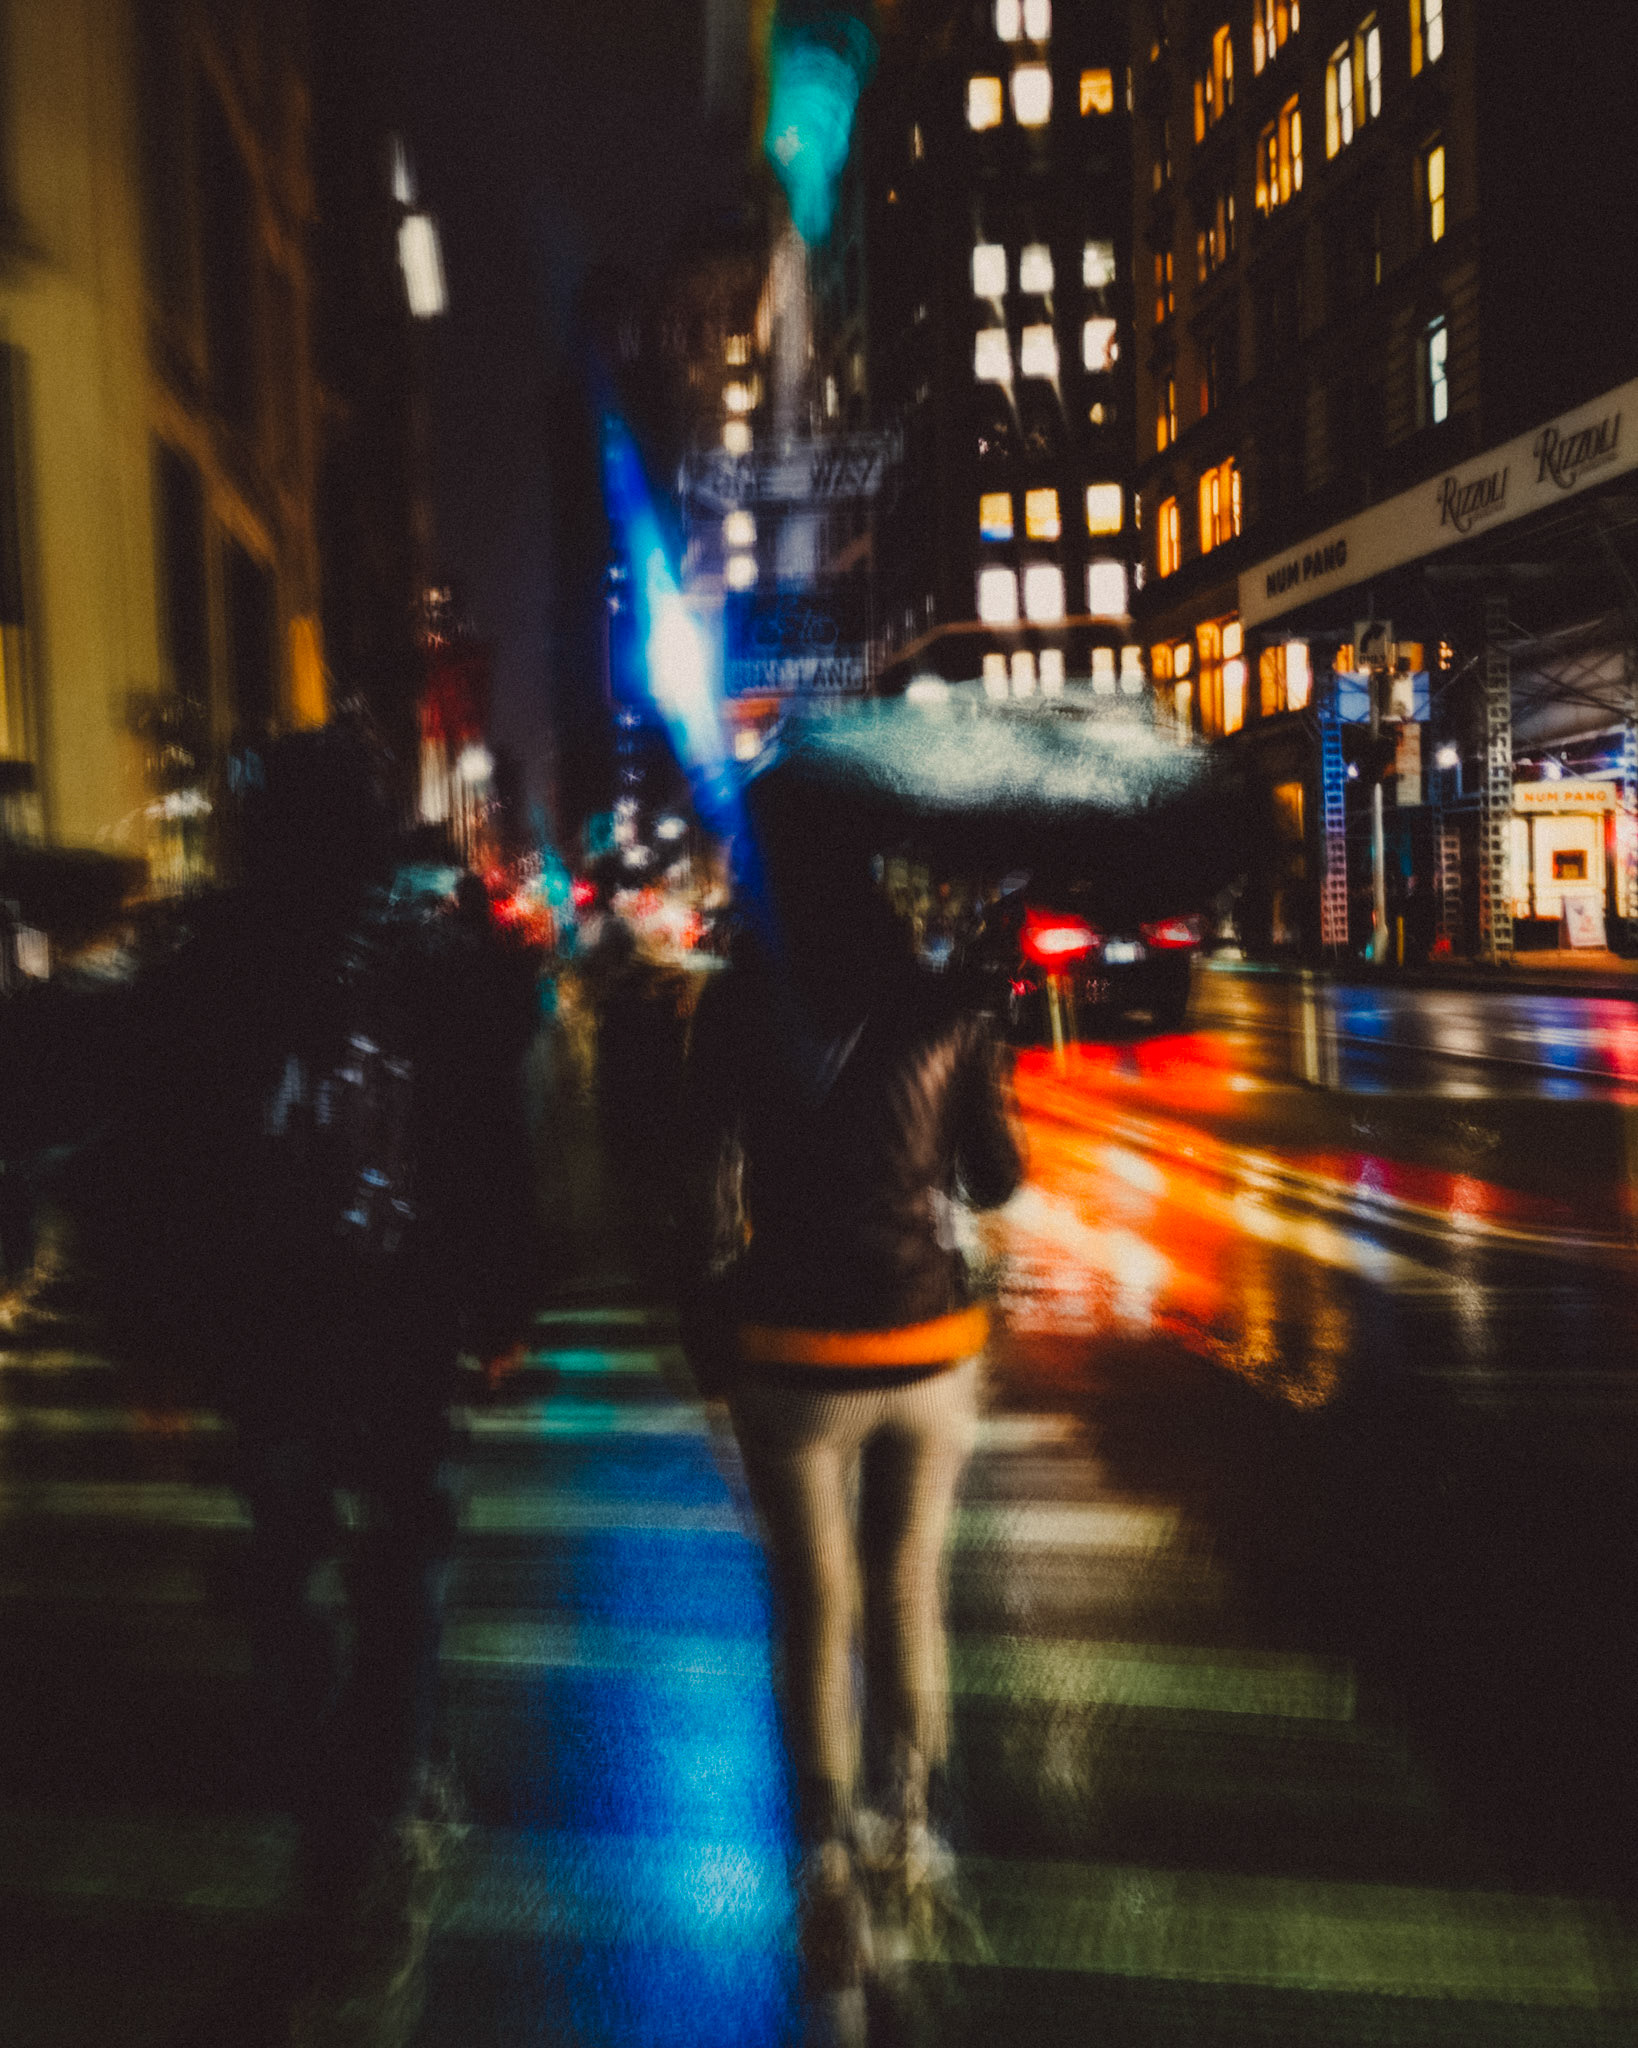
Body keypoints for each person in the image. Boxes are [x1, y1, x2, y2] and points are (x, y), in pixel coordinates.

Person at [69, 725, 540, 2047]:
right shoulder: (432, 958)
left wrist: (150, 1340)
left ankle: (322, 1784)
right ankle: (378, 1801)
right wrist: (503, 1307)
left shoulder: (195, 962)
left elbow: (135, 1163)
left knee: (285, 1553)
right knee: (405, 1569)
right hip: (401, 1324)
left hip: (262, 1331)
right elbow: (489, 1143)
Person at [675, 800, 1023, 2039]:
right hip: (926, 1341)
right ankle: (907, 1829)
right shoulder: (946, 1001)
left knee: (812, 1605)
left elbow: (699, 1173)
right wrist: (989, 1040)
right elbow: (996, 1174)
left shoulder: (736, 1002)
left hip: (790, 1347)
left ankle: (823, 1862)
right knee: (907, 1587)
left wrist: (708, 1319)